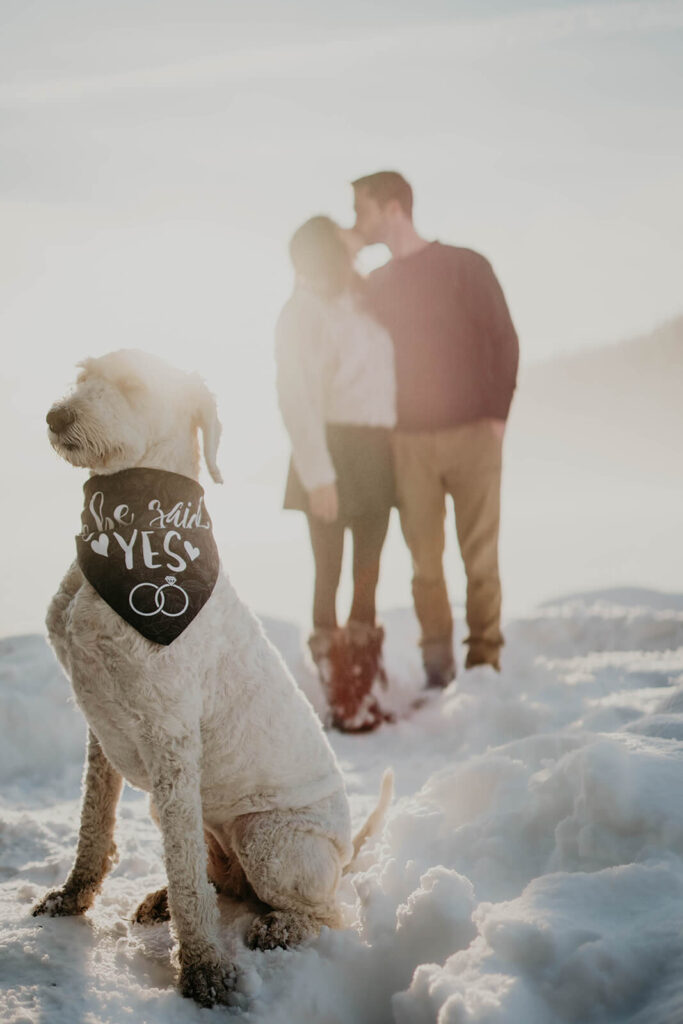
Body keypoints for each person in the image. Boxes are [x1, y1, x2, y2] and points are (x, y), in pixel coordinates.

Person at [351, 171, 519, 686]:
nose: (356, 221)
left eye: (363, 209)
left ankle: (485, 663)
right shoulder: (375, 285)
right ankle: (438, 668)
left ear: (393, 208)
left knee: (480, 558)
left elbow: (504, 339)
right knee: (425, 562)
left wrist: (495, 418)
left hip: (474, 434)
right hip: (409, 443)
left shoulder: (465, 266)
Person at [275, 214, 397, 732]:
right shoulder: (302, 310)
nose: (354, 255)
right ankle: (341, 699)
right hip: (328, 446)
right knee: (329, 574)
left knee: (367, 576)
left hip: (375, 448)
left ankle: (363, 689)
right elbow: (296, 396)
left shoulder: (363, 304)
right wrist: (319, 474)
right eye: (344, 250)